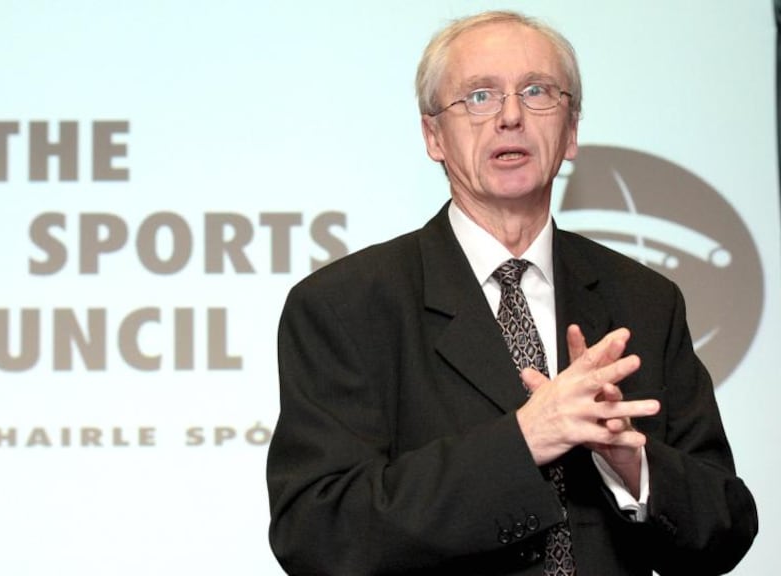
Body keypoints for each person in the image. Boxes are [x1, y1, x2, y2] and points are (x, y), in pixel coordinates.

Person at [266, 10, 757, 576]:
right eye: (479, 96)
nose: (511, 116)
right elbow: (318, 534)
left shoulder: (644, 300)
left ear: (571, 132)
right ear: (433, 136)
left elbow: (727, 529)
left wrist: (632, 462)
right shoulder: (345, 305)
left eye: (537, 91)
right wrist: (525, 439)